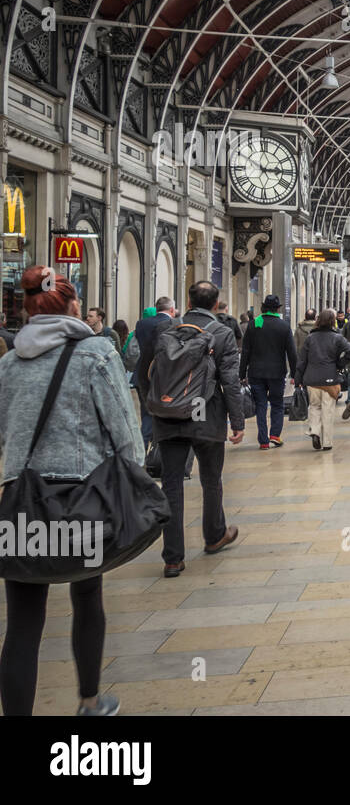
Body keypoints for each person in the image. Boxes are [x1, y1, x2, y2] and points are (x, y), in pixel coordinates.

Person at [0, 265, 142, 715]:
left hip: (21, 499)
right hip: (83, 500)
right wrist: (136, 484)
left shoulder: (7, 363)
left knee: (22, 622)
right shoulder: (97, 354)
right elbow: (125, 431)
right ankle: (89, 700)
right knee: (86, 597)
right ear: (74, 304)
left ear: (27, 308)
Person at [142, 280, 242, 577]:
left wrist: (159, 404)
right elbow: (230, 382)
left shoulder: (166, 329)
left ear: (187, 301)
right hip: (205, 414)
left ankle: (173, 558)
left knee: (171, 484)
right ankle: (214, 536)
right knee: (211, 480)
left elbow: (148, 370)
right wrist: (237, 422)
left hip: (169, 413)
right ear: (215, 304)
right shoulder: (222, 333)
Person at [238, 294, 298, 450]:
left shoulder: (254, 324)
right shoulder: (284, 326)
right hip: (277, 373)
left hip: (256, 373)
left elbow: (245, 351)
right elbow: (291, 352)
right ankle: (275, 436)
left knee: (261, 406)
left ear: (263, 307)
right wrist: (295, 374)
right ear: (277, 309)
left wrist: (242, 373)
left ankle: (263, 440)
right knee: (277, 404)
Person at [296, 309, 350, 451]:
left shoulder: (311, 337)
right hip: (330, 378)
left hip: (312, 378)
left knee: (314, 406)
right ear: (333, 321)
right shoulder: (337, 337)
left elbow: (302, 360)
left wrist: (298, 379)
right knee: (328, 410)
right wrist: (340, 363)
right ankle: (327, 442)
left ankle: (315, 431)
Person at [132, 297, 177, 448]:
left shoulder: (141, 324)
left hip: (142, 373)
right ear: (171, 310)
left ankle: (142, 447)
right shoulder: (171, 324)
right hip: (163, 376)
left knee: (146, 414)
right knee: (164, 415)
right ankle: (157, 451)